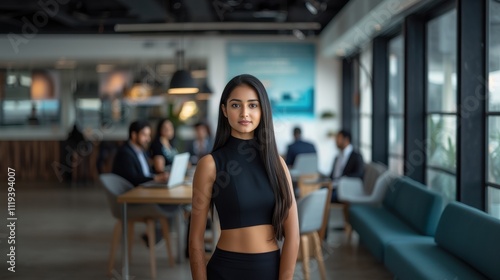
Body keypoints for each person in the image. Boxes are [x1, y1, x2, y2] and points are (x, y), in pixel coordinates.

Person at [189, 74, 299, 280]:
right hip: (226, 270)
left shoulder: (277, 164)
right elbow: (195, 239)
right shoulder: (209, 165)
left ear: (262, 110)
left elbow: (293, 235)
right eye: (236, 105)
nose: (245, 113)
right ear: (224, 110)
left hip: (270, 270)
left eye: (253, 105)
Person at [112, 120, 168, 186]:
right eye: (144, 135)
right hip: (133, 190)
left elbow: (147, 173)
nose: (148, 139)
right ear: (134, 135)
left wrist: (161, 175)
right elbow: (133, 178)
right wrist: (155, 178)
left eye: (149, 135)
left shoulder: (142, 151)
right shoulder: (125, 153)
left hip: (146, 186)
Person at [329, 129, 365, 202]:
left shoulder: (356, 156)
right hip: (333, 186)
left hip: (346, 188)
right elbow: (332, 175)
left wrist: (343, 179)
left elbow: (359, 174)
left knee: (323, 198)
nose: (336, 141)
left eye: (338, 138)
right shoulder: (337, 157)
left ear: (346, 140)